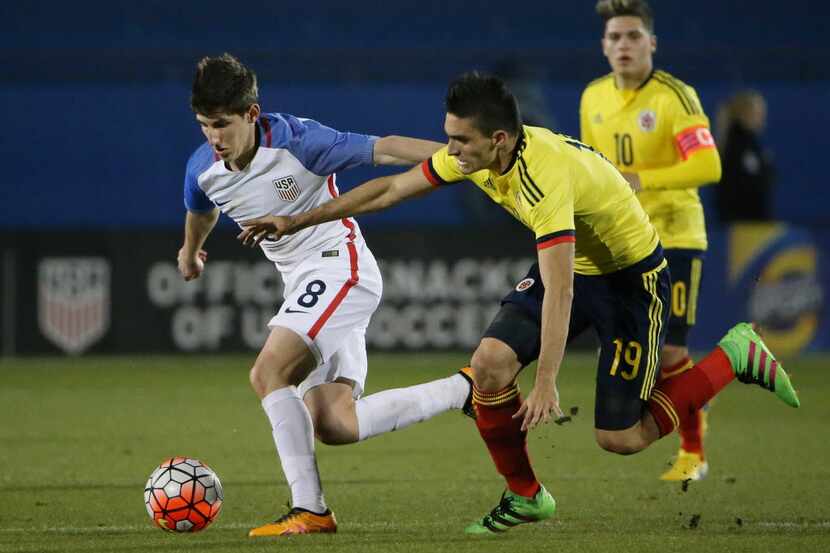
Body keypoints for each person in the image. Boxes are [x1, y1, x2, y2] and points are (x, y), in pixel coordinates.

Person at [238, 71, 800, 535]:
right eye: (449, 137)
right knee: (488, 365)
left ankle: (735, 355)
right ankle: (526, 495)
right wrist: (300, 219)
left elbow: (562, 290)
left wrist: (548, 380)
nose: (450, 151)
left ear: (499, 141)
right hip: (576, 268)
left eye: (460, 141)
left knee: (621, 438)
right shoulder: (476, 159)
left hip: (630, 278)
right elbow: (390, 189)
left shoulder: (544, 177)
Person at [179, 53, 475, 537]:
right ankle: (466, 388)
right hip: (306, 285)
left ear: (251, 114)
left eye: (221, 124)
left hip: (341, 268)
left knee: (268, 372)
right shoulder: (202, 168)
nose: (213, 137)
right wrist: (190, 252)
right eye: (203, 125)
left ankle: (309, 509)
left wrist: (458, 156)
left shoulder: (300, 143)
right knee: (335, 424)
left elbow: (386, 149)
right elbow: (201, 207)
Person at [580, 0, 723, 482]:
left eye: (633, 36)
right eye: (615, 38)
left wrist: (641, 178)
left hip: (676, 237)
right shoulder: (592, 98)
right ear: (603, 46)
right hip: (624, 245)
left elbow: (708, 166)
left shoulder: (675, 98)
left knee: (672, 354)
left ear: (652, 44)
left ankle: (694, 453)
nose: (624, 45)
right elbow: (592, 172)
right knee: (636, 349)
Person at [715, 90, 775, 223]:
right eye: (758, 113)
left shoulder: (751, 145)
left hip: (752, 225)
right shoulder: (736, 147)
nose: (762, 118)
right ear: (744, 114)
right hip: (742, 227)